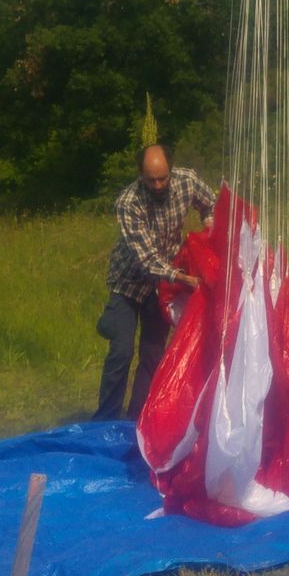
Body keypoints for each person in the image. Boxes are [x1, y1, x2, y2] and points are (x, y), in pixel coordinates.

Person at [93, 142, 216, 423]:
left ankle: (138, 417)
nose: (158, 185)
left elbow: (211, 202)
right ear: (140, 176)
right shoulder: (128, 203)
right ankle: (104, 422)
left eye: (163, 178)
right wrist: (185, 278)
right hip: (128, 283)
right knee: (122, 351)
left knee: (152, 351)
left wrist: (209, 230)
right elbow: (147, 260)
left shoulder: (187, 181)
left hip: (161, 285)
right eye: (151, 180)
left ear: (171, 171)